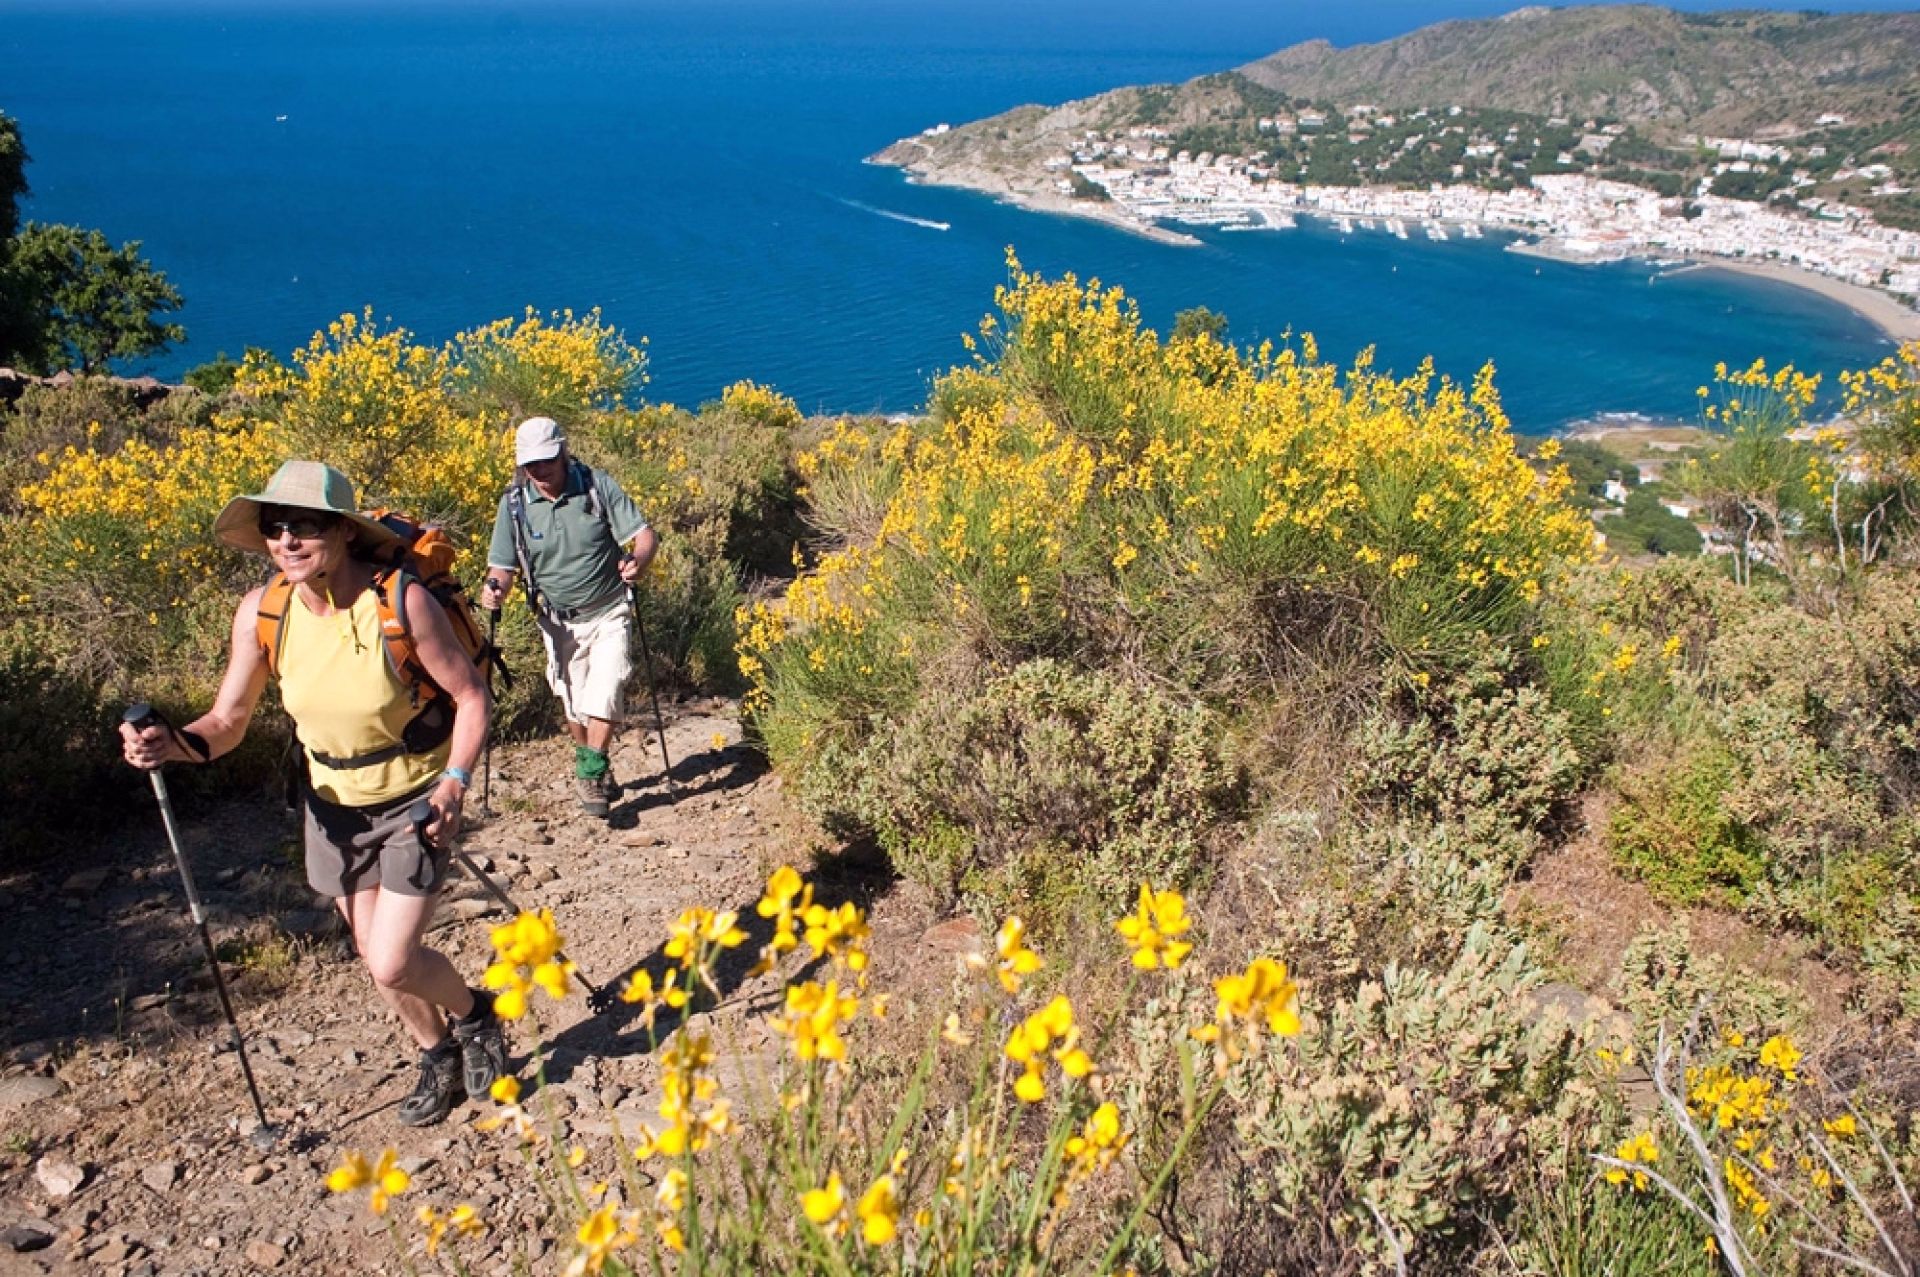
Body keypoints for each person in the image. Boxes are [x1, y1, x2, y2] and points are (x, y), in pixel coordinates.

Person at [118, 459, 504, 1128]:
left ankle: (477, 1016)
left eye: (305, 525)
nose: (287, 540)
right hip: (332, 809)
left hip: (414, 802)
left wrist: (454, 784)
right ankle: (435, 1050)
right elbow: (227, 721)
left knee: (392, 957)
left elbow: (473, 697)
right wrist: (171, 743)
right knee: (371, 956)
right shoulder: (264, 612)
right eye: (274, 527)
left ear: (344, 532)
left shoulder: (400, 601)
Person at [481, 416, 657, 817]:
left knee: (607, 686)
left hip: (610, 608)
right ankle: (592, 762)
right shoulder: (513, 506)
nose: (539, 471)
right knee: (574, 701)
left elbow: (644, 535)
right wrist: (494, 590)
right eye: (530, 464)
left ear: (563, 451)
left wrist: (638, 561)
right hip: (557, 622)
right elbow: (501, 567)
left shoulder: (597, 486)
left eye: (546, 460)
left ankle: (591, 771)